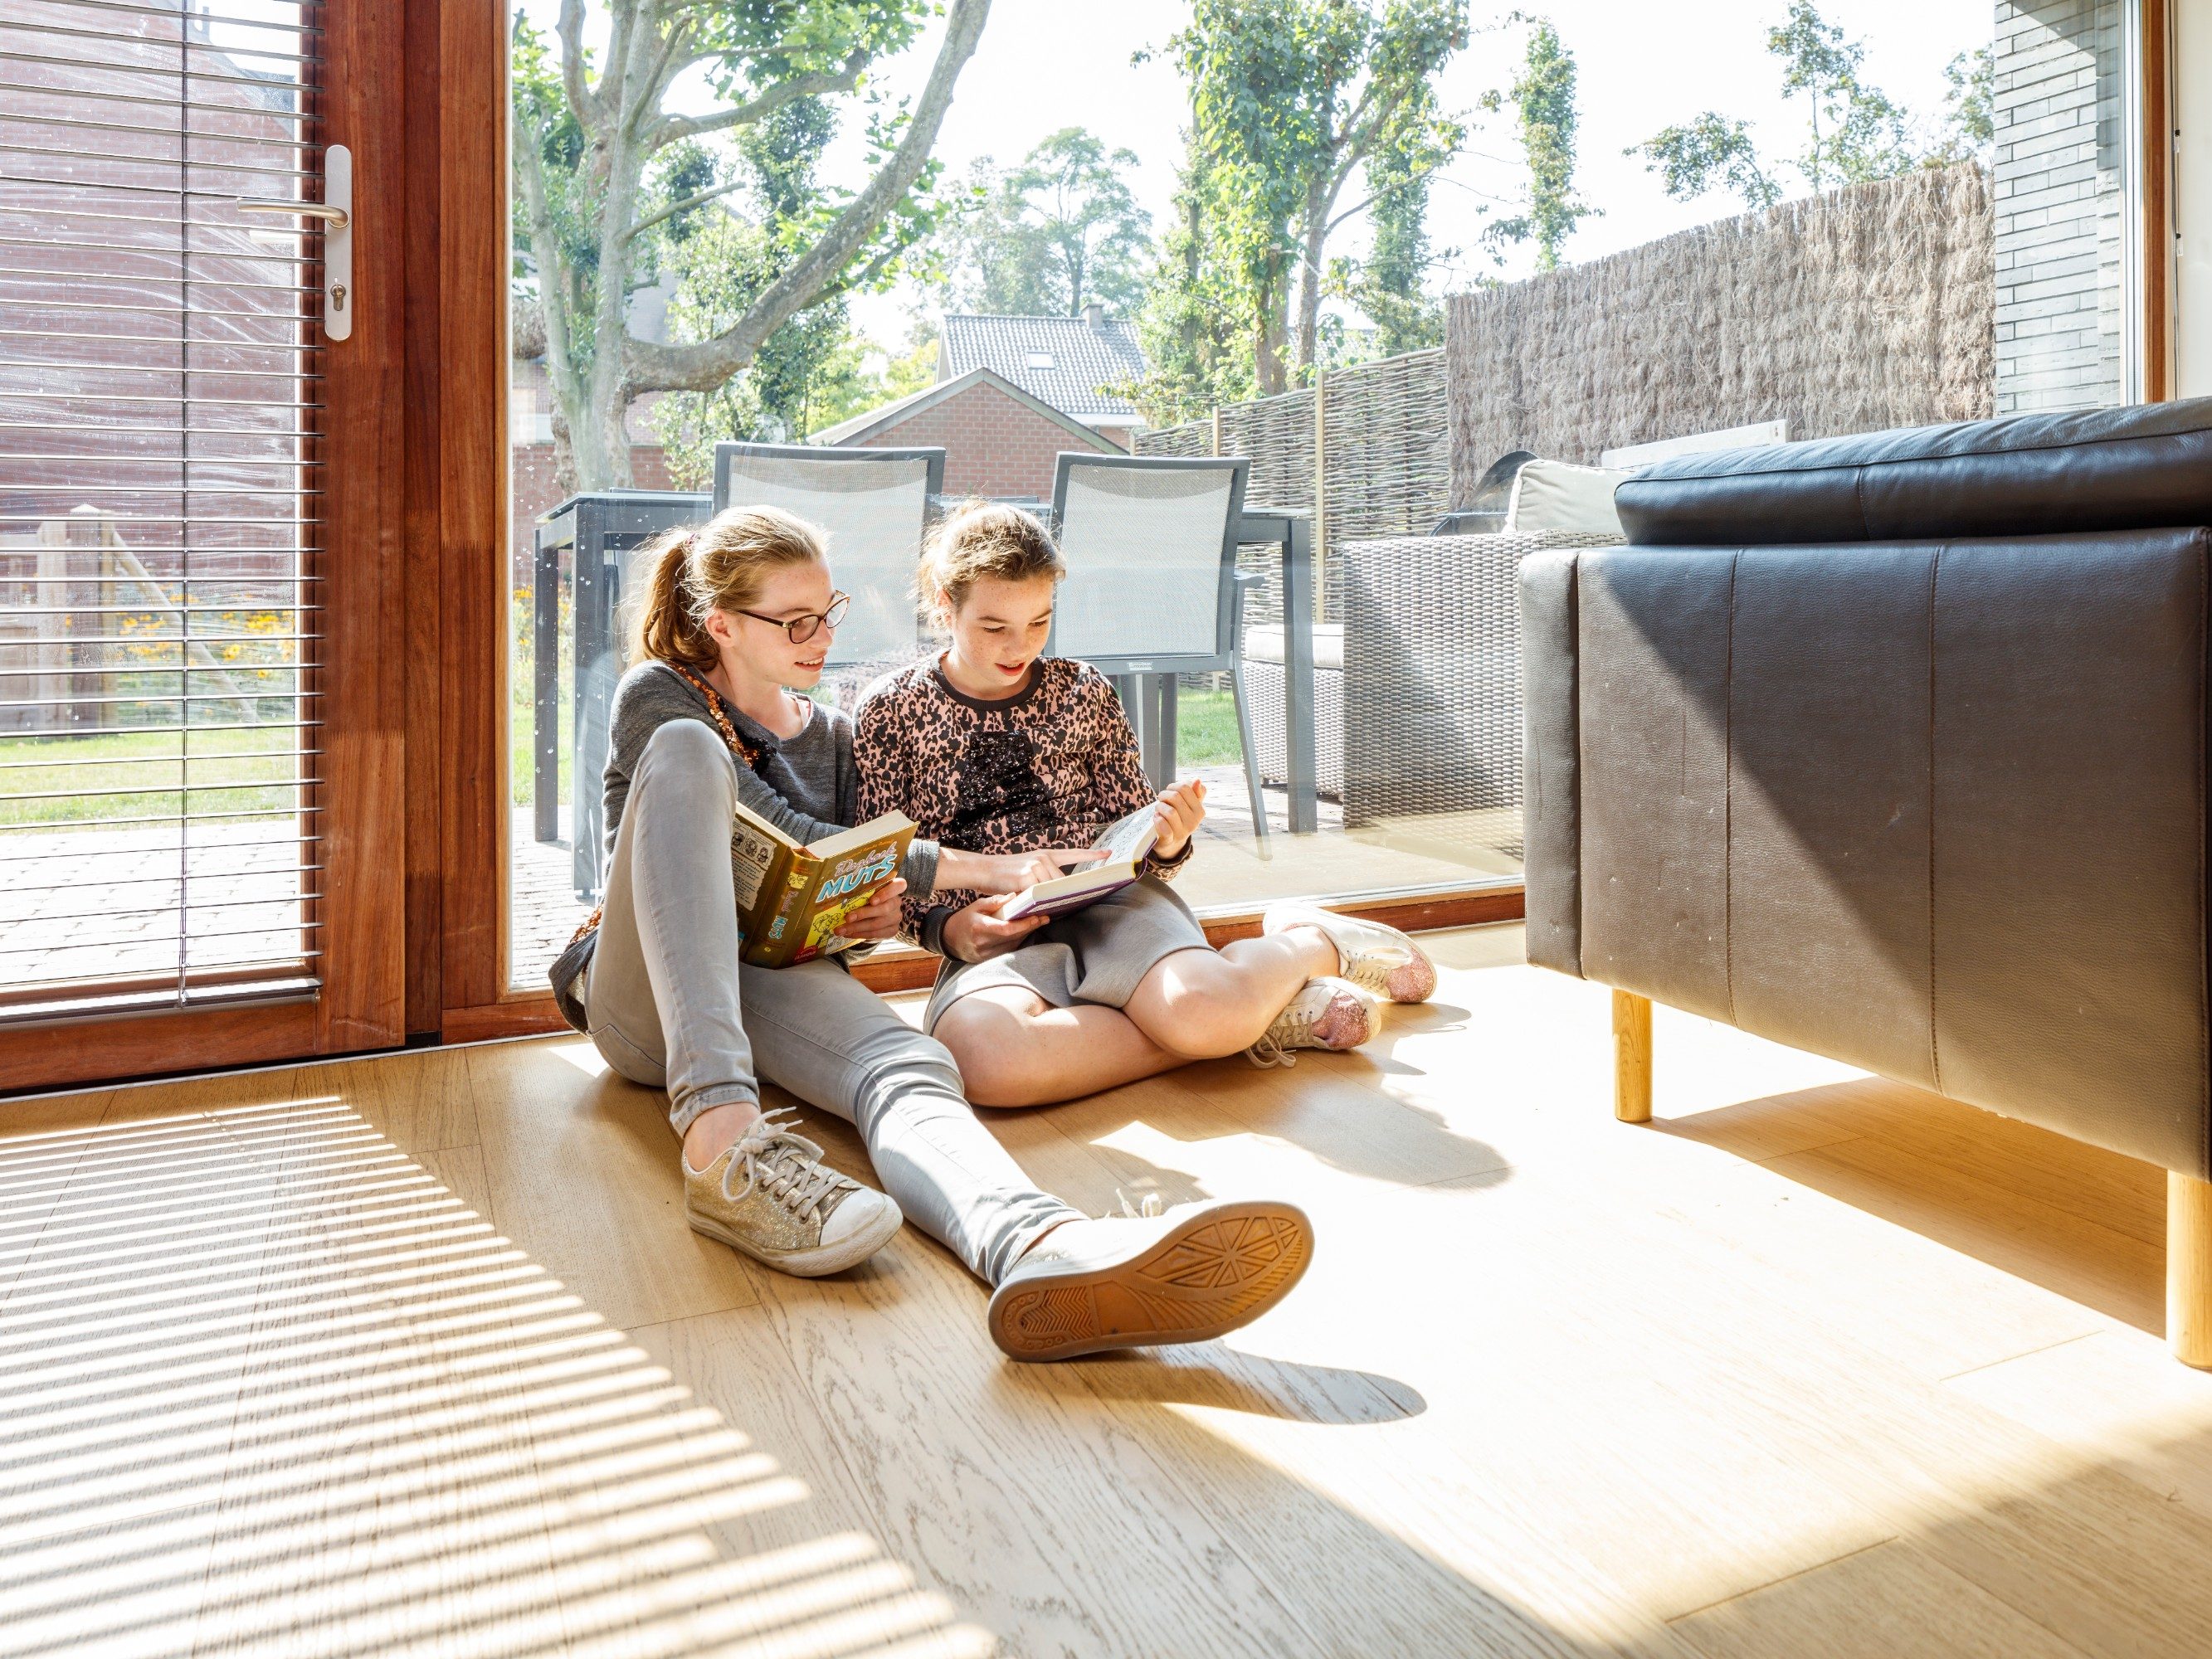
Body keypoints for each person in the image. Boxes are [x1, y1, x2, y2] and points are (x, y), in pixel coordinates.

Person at [554, 504, 1314, 1360]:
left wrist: (863, 916)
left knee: (912, 1063)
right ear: (720, 622)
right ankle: (721, 1142)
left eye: (826, 611)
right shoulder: (659, 695)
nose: (817, 635)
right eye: (792, 619)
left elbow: (845, 875)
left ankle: (1037, 1246)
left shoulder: (837, 737)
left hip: (763, 973)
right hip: (642, 1005)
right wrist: (994, 869)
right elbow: (786, 832)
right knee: (691, 752)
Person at [851, 502, 1439, 1110]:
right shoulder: (889, 709)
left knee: (1203, 1008)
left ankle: (1310, 942)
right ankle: (1248, 1022)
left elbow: (1140, 847)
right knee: (983, 1062)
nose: (1019, 646)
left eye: (1040, 621)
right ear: (946, 604)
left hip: (1115, 908)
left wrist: (1168, 839)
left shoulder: (1082, 691)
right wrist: (946, 931)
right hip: (993, 934)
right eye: (994, 627)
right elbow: (882, 864)